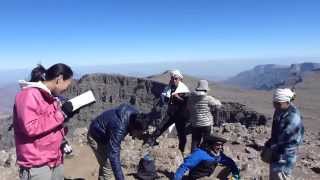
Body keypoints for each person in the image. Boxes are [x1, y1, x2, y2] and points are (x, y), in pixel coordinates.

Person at [13, 64, 74, 180]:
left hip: (54, 159)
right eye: (67, 85)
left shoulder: (51, 97)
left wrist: (61, 142)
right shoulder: (28, 95)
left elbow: (50, 126)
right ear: (59, 79)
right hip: (37, 164)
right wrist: (61, 114)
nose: (67, 89)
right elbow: (29, 127)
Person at [87, 104, 152, 180]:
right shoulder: (119, 128)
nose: (139, 135)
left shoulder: (134, 116)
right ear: (135, 128)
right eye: (139, 132)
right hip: (96, 136)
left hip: (106, 135)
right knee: (108, 165)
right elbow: (113, 155)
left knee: (106, 163)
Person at [147, 69, 190, 157]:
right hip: (171, 113)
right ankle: (150, 141)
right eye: (172, 78)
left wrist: (178, 97)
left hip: (180, 116)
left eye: (176, 78)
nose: (174, 80)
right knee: (161, 127)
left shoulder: (184, 90)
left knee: (181, 134)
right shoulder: (170, 88)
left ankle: (181, 151)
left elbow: (187, 102)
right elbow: (165, 99)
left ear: (180, 79)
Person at [264, 88, 304, 180]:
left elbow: (286, 139)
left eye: (278, 103)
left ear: (287, 102)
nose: (275, 106)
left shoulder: (293, 117)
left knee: (280, 176)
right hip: (277, 154)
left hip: (285, 157)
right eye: (274, 103)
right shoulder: (280, 110)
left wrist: (271, 148)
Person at [174, 135, 240, 180]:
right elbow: (185, 166)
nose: (220, 147)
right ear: (211, 144)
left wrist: (235, 178)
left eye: (221, 145)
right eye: (217, 144)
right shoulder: (200, 153)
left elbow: (232, 164)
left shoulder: (219, 155)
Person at [187, 80, 222, 152]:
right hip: (206, 124)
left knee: (195, 142)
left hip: (195, 123)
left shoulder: (191, 97)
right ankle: (204, 157)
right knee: (207, 142)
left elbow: (188, 107)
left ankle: (193, 158)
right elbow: (218, 104)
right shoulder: (207, 98)